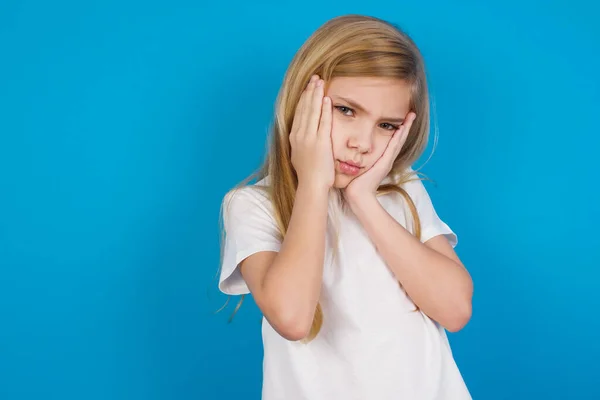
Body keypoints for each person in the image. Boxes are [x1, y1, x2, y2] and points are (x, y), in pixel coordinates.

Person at [217, 14, 473, 400]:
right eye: (346, 110)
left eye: (386, 125)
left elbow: (455, 310)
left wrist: (364, 200)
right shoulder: (253, 205)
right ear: (302, 101)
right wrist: (314, 185)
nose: (363, 143)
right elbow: (292, 318)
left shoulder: (402, 190)